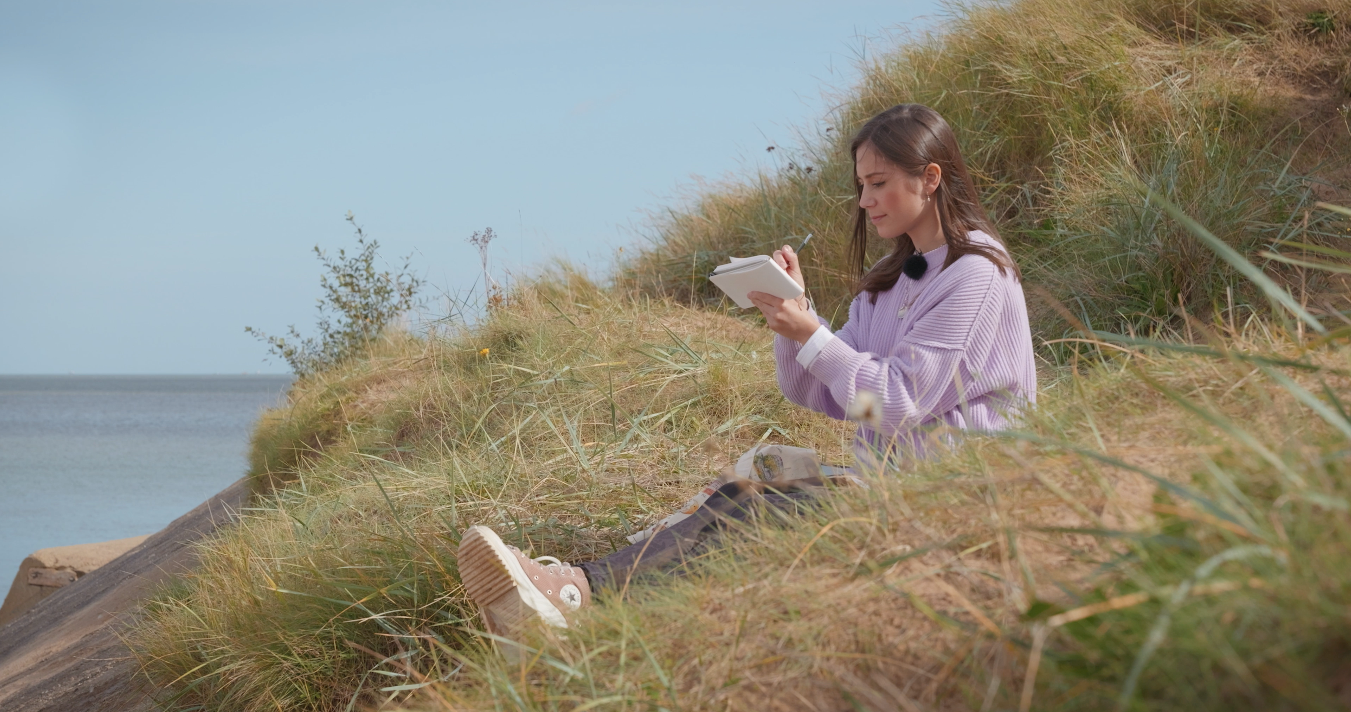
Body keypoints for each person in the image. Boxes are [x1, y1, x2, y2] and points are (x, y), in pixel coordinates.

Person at [456, 103, 1037, 647]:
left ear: (930, 178)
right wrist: (796, 320)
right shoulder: (891, 283)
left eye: (879, 183)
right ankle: (570, 597)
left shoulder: (975, 275)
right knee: (741, 494)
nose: (865, 200)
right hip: (890, 491)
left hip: (956, 501)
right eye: (861, 185)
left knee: (756, 509)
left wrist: (812, 334)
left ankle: (574, 599)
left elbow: (896, 402)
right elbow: (831, 397)